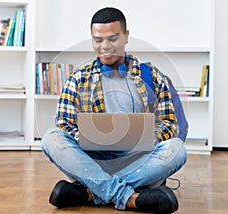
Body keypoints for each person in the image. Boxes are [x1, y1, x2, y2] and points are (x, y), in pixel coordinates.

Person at [41, 7, 187, 214]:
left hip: (138, 160)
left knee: (177, 150)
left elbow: (169, 124)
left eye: (113, 39)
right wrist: (88, 138)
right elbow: (64, 123)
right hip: (94, 160)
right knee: (50, 138)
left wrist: (148, 139)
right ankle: (131, 198)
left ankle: (91, 193)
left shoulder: (152, 75)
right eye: (98, 40)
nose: (105, 47)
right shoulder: (78, 78)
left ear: (126, 37)